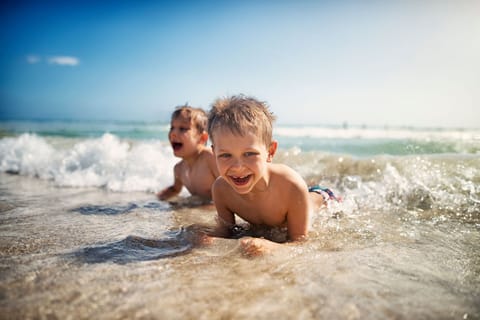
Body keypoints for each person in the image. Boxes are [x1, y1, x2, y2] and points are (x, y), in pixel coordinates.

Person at [206, 95, 338, 256]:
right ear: (214, 153)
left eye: (249, 153)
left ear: (270, 152)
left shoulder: (291, 186)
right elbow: (226, 231)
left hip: (325, 198)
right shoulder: (221, 190)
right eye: (226, 155)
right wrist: (207, 239)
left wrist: (272, 246)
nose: (238, 167)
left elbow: (301, 243)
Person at [157, 105, 219, 203]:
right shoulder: (179, 169)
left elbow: (230, 188)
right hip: (200, 210)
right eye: (172, 127)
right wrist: (156, 199)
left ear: (202, 138)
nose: (173, 133)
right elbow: (175, 189)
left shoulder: (209, 158)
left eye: (182, 129)